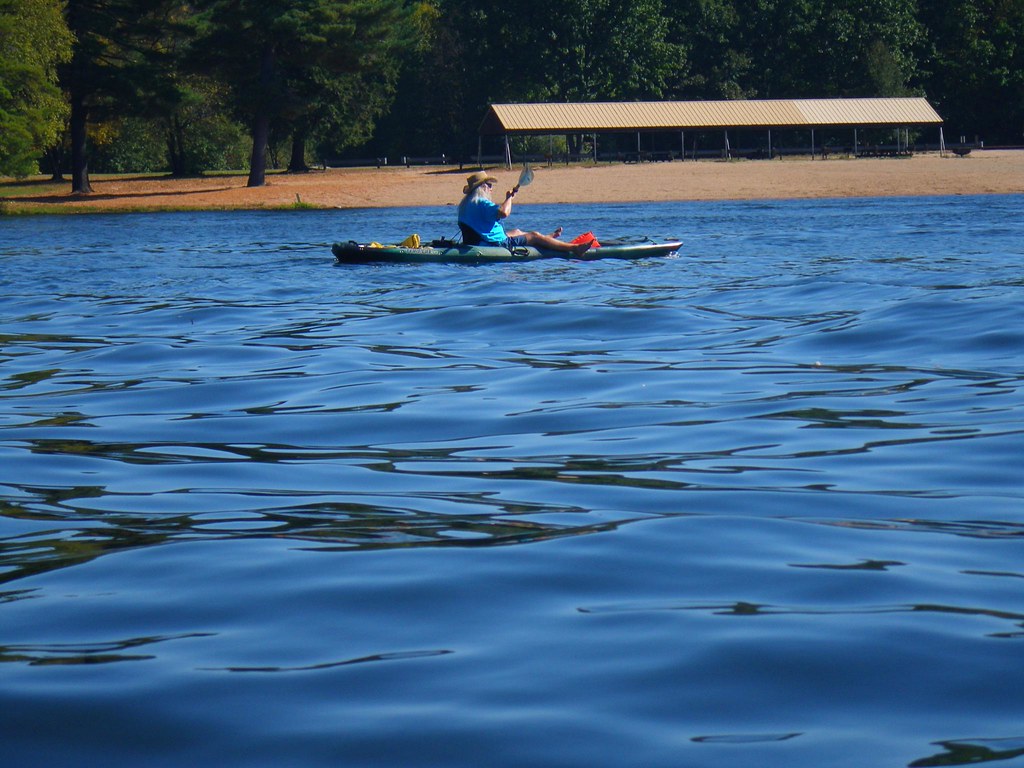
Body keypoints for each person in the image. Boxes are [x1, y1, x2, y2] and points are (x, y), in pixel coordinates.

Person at [457, 170, 593, 255]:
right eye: (490, 186)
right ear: (483, 188)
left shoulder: (466, 204)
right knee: (534, 235)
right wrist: (509, 198)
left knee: (516, 231)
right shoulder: (481, 203)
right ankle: (574, 248)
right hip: (493, 244)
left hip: (482, 239)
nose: (491, 189)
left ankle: (547, 239)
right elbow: (504, 213)